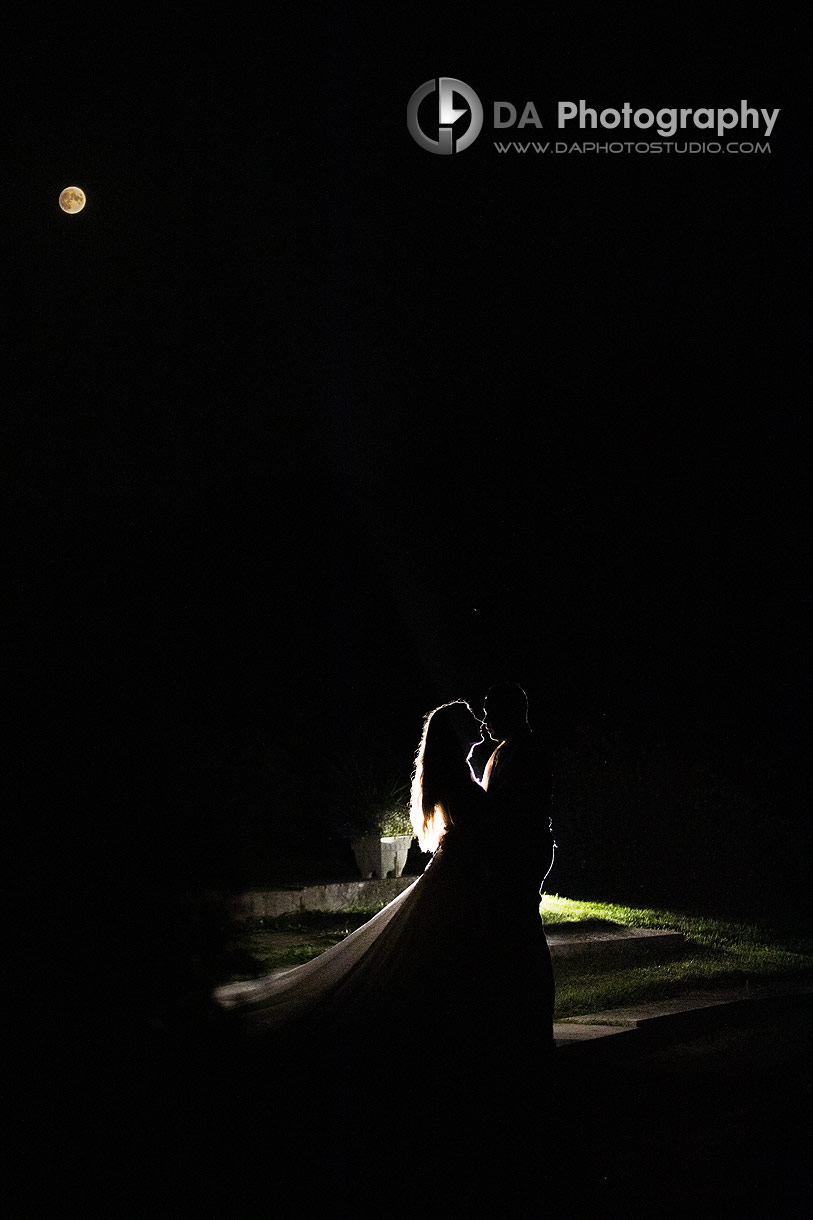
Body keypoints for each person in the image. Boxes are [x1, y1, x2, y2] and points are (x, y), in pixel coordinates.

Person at [481, 681, 556, 1053]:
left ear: (509, 711)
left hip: (523, 851)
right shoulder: (506, 750)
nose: (485, 719)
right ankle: (523, 1022)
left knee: (526, 933)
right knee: (518, 936)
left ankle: (537, 1025)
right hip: (513, 851)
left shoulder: (527, 750)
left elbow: (519, 807)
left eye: (490, 710)